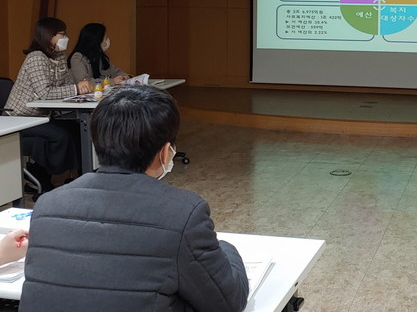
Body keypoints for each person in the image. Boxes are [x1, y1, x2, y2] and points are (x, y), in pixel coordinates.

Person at [20, 86, 249, 312]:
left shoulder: (47, 205)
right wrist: (225, 248)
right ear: (165, 152)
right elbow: (228, 301)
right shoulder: (183, 214)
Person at [3, 17, 92, 192]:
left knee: (77, 130)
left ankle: (78, 178)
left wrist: (80, 89)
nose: (66, 38)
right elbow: (45, 93)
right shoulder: (35, 58)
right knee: (60, 136)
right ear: (49, 36)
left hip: (42, 115)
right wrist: (76, 89)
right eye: (62, 34)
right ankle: (48, 178)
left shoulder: (60, 57)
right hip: (21, 117)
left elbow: (66, 85)